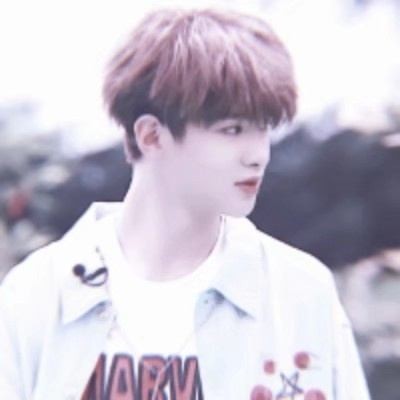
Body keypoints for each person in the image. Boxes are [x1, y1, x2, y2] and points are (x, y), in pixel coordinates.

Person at [0, 8, 371, 400]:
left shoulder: (299, 292)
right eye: (232, 130)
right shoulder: (39, 293)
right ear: (151, 136)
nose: (259, 155)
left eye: (263, 129)